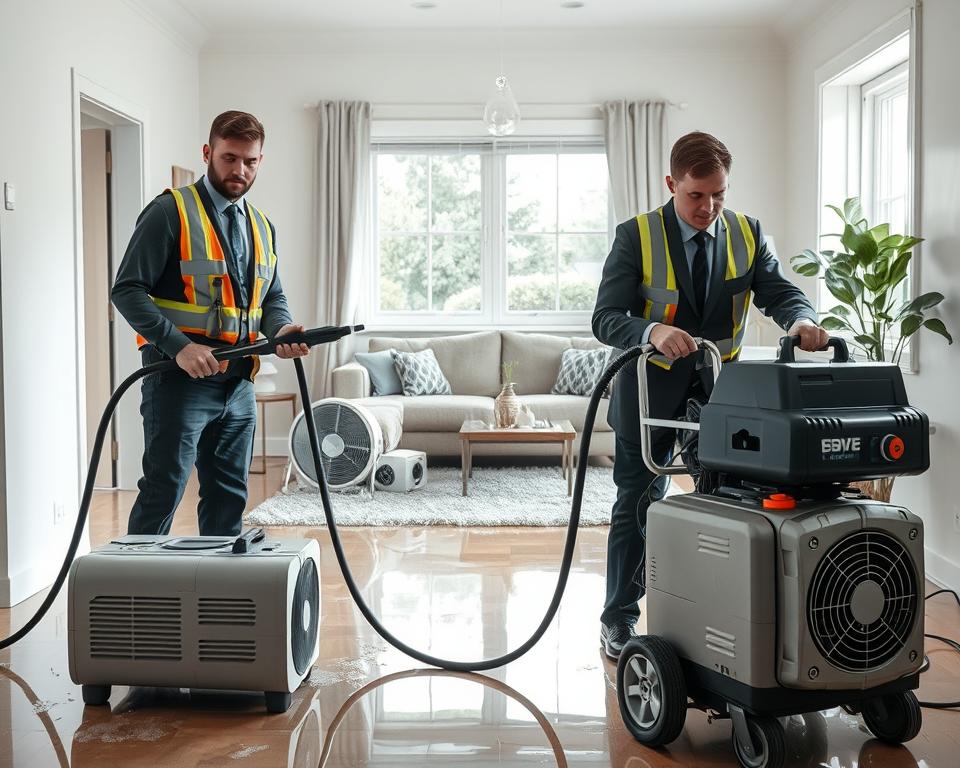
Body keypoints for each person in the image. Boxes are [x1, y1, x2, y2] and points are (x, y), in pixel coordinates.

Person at [592, 131, 828, 660]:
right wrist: (651, 331)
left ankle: (713, 617)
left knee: (728, 504)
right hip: (648, 392)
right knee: (638, 504)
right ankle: (619, 618)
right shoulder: (636, 236)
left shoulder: (747, 232)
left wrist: (803, 317)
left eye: (719, 194)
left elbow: (777, 290)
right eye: (697, 195)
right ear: (672, 184)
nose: (709, 207)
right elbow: (605, 318)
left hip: (721, 395)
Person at [112, 110, 309, 537]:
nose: (240, 170)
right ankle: (139, 597)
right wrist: (180, 346)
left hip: (239, 383)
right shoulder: (169, 212)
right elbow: (126, 290)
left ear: (261, 160)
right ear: (208, 153)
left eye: (250, 161)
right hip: (179, 381)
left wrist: (281, 331)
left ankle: (217, 597)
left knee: (228, 495)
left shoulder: (261, 226)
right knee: (163, 490)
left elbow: (271, 296)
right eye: (229, 158)